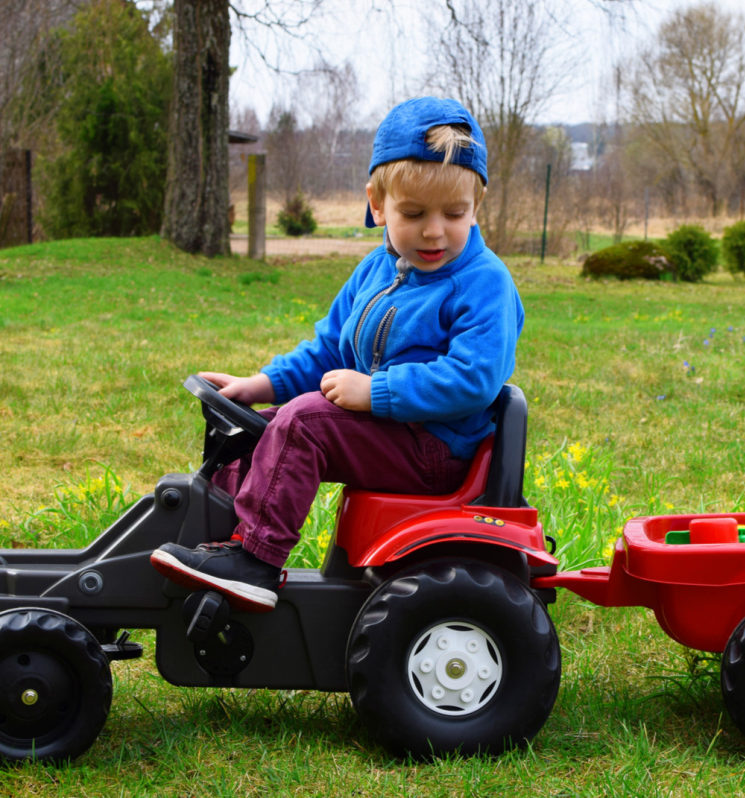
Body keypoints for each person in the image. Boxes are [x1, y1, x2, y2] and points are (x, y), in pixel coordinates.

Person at [151, 97, 524, 612]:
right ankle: (216, 541)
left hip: (434, 448)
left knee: (303, 425)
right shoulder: (375, 271)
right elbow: (328, 349)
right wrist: (261, 384)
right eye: (413, 214)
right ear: (377, 204)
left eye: (454, 213)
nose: (435, 230)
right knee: (260, 429)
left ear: (475, 206)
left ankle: (255, 560)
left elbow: (474, 378)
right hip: (387, 431)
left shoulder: (484, 283)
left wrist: (376, 391)